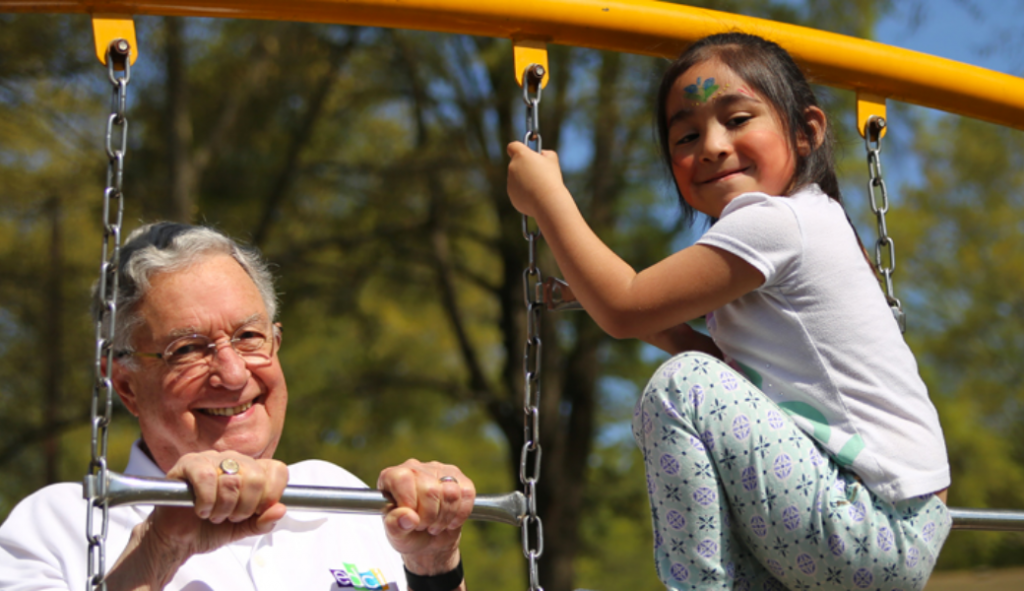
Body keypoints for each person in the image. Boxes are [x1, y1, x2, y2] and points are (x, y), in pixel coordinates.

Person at [507, 32, 951, 591]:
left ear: (806, 131)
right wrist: (644, 318)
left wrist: (548, 197)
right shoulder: (798, 229)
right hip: (886, 524)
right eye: (688, 135)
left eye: (737, 119)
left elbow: (624, 306)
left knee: (682, 387)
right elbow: (725, 368)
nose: (713, 145)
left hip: (871, 517)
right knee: (701, 375)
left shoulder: (777, 221)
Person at [0, 222, 474, 591]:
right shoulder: (58, 525)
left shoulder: (345, 499)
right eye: (187, 349)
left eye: (249, 337)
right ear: (125, 385)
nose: (232, 373)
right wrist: (159, 549)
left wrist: (433, 567)